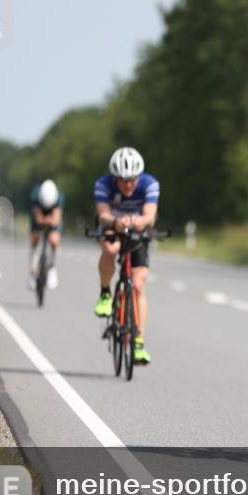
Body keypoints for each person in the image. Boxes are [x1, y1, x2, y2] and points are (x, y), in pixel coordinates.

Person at [93, 147, 160, 365]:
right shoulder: (103, 184)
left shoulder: (150, 184)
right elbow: (103, 215)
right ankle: (105, 294)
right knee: (111, 249)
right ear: (114, 178)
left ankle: (138, 343)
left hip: (138, 231)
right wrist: (115, 222)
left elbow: (150, 216)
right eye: (123, 181)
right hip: (113, 227)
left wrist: (141, 221)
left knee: (139, 285)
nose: (128, 185)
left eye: (132, 180)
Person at [27, 179, 65, 290]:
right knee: (35, 237)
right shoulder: (35, 195)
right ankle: (33, 271)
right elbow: (37, 217)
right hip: (39, 213)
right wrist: (43, 220)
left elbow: (56, 218)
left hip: (52, 214)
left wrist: (51, 221)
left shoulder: (59, 197)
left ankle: (52, 267)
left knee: (54, 239)